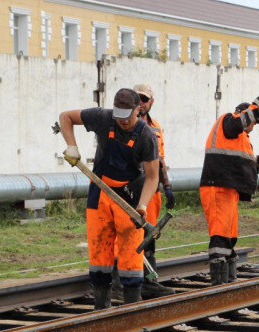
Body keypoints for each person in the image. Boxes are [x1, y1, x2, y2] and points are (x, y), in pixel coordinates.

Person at [59, 88, 159, 308]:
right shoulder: (103, 117)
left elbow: (152, 177)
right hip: (100, 191)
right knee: (99, 251)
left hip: (129, 196)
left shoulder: (146, 136)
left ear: (138, 110)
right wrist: (72, 146)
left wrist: (142, 205)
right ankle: (101, 308)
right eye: (118, 116)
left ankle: (132, 307)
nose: (122, 121)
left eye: (127, 116)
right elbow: (65, 117)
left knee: (131, 255)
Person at [200, 94, 259, 285]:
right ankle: (218, 281)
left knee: (230, 236)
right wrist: (258, 106)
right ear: (243, 114)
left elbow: (241, 170)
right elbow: (236, 125)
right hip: (217, 187)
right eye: (253, 121)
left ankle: (228, 280)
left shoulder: (243, 139)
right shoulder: (228, 121)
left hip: (230, 190)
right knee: (220, 233)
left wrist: (257, 165)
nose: (254, 126)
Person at [132, 83, 175, 294]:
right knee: (131, 236)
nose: (141, 102)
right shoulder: (124, 123)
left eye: (144, 99)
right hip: (131, 189)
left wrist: (167, 186)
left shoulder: (155, 126)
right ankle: (126, 281)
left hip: (152, 190)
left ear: (151, 102)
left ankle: (148, 281)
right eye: (137, 98)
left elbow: (160, 159)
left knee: (150, 236)